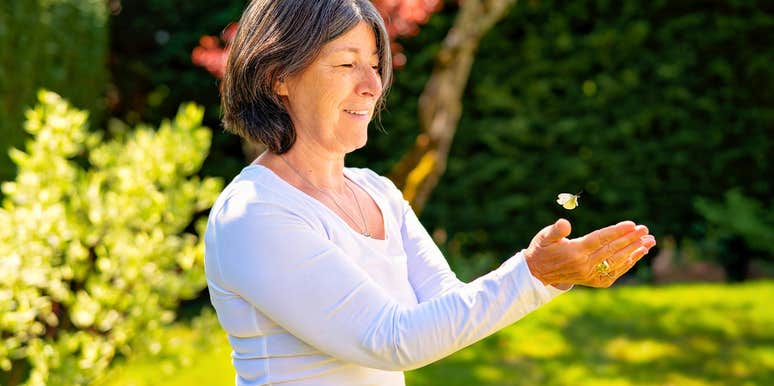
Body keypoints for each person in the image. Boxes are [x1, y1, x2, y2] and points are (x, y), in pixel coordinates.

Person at [203, 1, 657, 385]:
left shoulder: (377, 192)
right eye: (346, 64)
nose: (373, 85)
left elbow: (444, 314)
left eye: (376, 66)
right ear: (277, 76)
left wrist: (552, 273)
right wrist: (534, 274)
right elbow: (391, 339)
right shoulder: (255, 214)